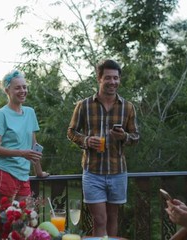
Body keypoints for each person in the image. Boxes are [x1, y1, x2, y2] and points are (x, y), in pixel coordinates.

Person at [67, 59, 139, 237]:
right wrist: (85, 140)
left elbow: (136, 136)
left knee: (113, 217)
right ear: (99, 79)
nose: (113, 82)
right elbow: (71, 131)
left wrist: (124, 137)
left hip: (117, 171)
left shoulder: (128, 107)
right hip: (92, 172)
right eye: (108, 78)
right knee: (100, 219)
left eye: (116, 78)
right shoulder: (83, 105)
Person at [0, 69, 49, 201]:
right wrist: (22, 153)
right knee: (5, 219)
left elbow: (33, 145)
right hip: (4, 173)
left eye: (24, 87)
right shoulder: (2, 114)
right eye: (17, 88)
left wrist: (38, 172)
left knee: (24, 217)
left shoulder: (30, 112)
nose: (22, 91)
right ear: (7, 91)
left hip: (24, 175)